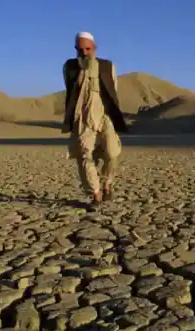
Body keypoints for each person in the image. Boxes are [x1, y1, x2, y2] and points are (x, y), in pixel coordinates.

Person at [62, 31, 128, 206]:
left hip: (104, 116)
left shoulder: (107, 66)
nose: (84, 53)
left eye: (88, 49)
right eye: (80, 49)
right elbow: (70, 89)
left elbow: (114, 90)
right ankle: (96, 193)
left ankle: (107, 182)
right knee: (84, 155)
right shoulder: (69, 67)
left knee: (112, 153)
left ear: (95, 48)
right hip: (82, 117)